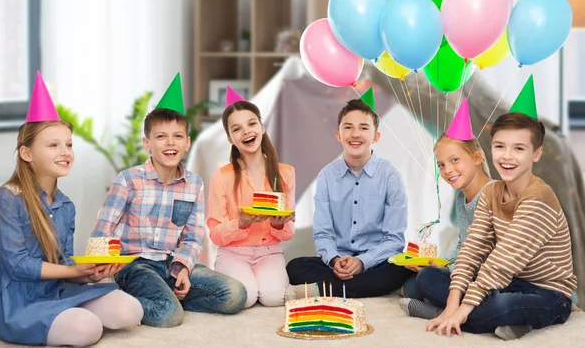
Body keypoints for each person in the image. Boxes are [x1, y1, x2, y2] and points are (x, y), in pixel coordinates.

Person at [0, 72, 142, 346]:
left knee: (130, 310)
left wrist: (90, 272)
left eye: (69, 144)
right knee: (87, 329)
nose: (65, 152)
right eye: (53, 145)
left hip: (58, 289)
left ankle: (66, 314)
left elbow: (64, 260)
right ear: (27, 153)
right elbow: (18, 265)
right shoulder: (7, 198)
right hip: (18, 303)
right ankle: (67, 318)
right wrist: (74, 273)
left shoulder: (65, 204)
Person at [426, 78, 577, 340]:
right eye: (500, 147)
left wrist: (463, 309)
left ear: (536, 154)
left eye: (519, 148)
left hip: (547, 292)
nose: (506, 156)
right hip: (510, 283)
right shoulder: (492, 193)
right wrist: (452, 305)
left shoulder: (539, 197)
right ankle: (492, 320)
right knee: (428, 278)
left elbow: (502, 261)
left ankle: (443, 313)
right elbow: (473, 249)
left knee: (501, 305)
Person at [91, 74, 246, 327]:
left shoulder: (194, 184)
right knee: (168, 315)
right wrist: (100, 272)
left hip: (172, 263)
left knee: (234, 294)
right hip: (134, 265)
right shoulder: (128, 180)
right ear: (147, 143)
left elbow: (193, 235)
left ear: (187, 143)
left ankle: (167, 294)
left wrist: (184, 268)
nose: (170, 142)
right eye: (161, 136)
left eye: (177, 136)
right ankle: (115, 299)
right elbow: (103, 228)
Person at [286, 97, 411, 297]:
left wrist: (362, 262)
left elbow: (394, 240)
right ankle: (355, 286)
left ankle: (323, 289)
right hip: (338, 261)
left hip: (375, 261)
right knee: (295, 267)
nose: (355, 134)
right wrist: (336, 260)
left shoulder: (390, 175)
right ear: (338, 135)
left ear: (376, 136)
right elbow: (323, 233)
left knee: (400, 268)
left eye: (363, 128)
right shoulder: (327, 176)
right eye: (348, 127)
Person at [400, 100, 491, 319]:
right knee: (412, 285)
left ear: (477, 158)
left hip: (488, 277)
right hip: (465, 273)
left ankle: (444, 313)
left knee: (427, 281)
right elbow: (463, 243)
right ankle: (466, 312)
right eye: (441, 164)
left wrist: (447, 271)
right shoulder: (462, 199)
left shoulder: (491, 196)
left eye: (454, 160)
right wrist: (440, 263)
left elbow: (488, 254)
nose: (447, 170)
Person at [207, 92, 295, 308]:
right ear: (230, 139)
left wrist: (278, 223)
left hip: (269, 252)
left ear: (262, 128)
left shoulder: (285, 173)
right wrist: (241, 223)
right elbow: (215, 234)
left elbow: (287, 231)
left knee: (273, 298)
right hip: (233, 253)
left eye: (251, 124)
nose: (246, 131)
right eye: (236, 129)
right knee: (245, 298)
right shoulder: (222, 176)